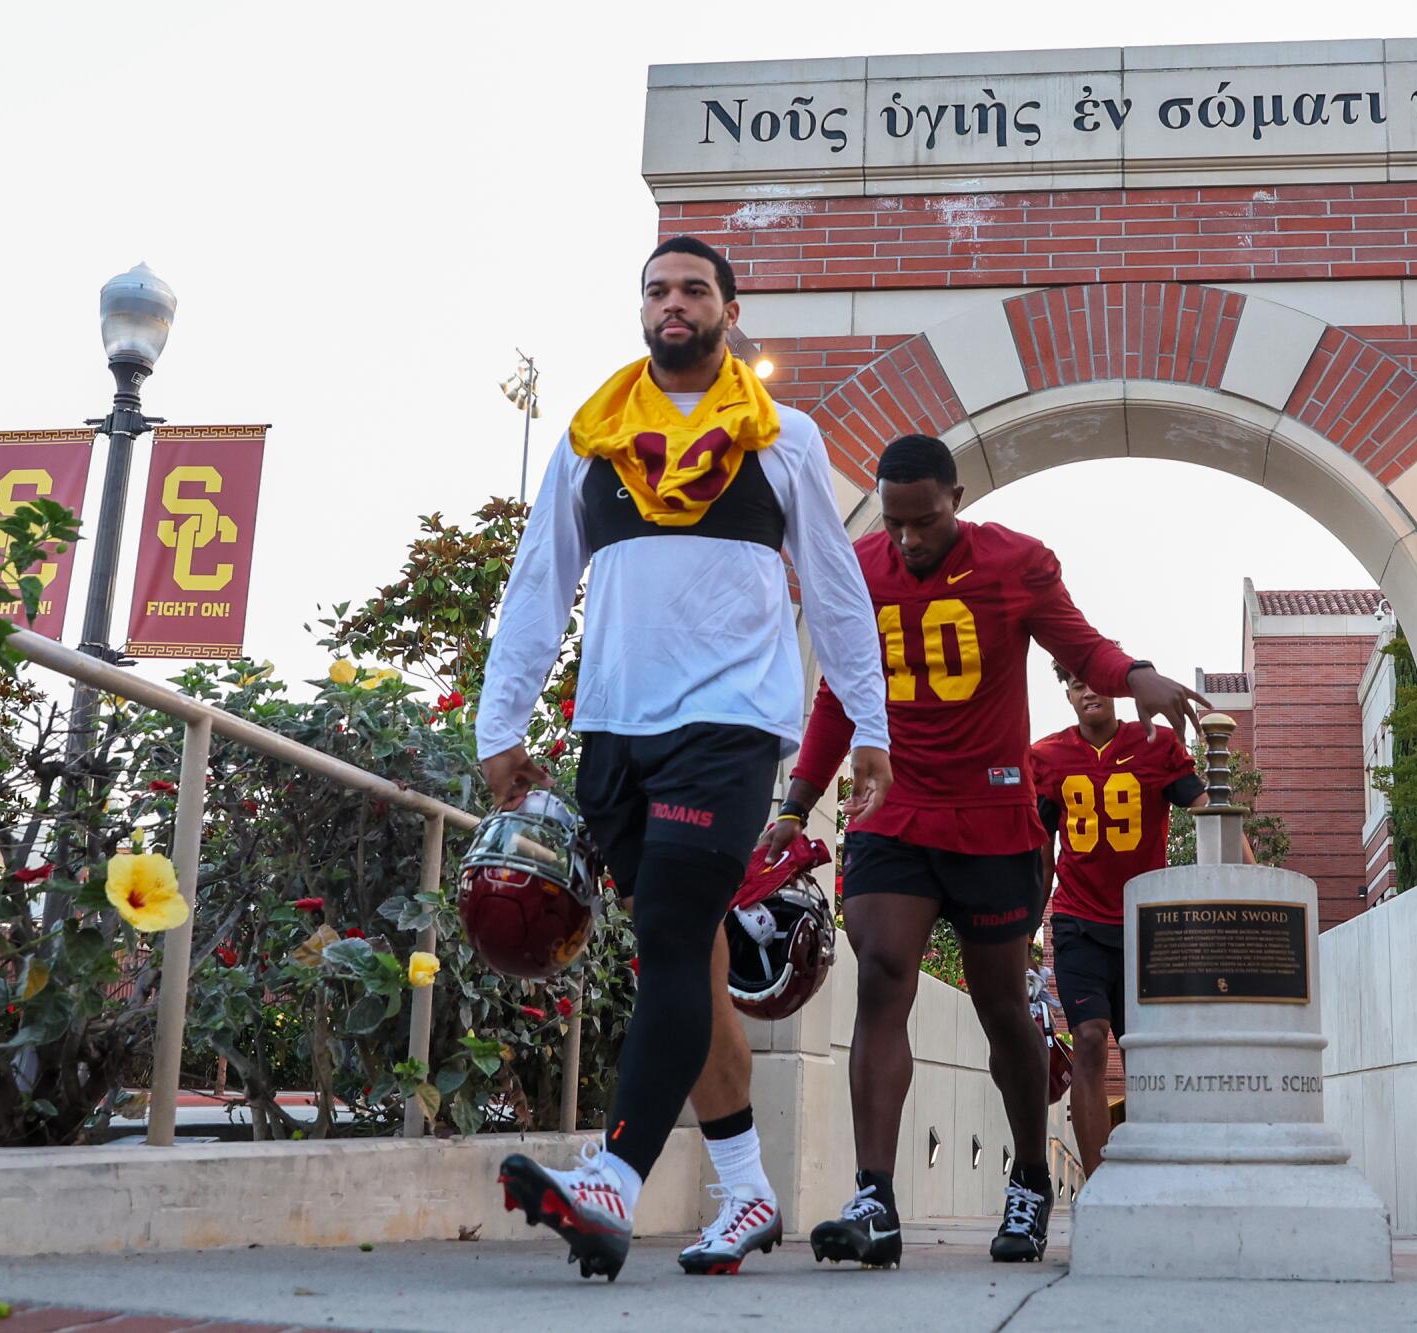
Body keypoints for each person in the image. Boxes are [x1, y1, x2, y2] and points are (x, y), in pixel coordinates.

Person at [478, 236, 893, 1281]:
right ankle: (748, 1190)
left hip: (731, 725)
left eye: (693, 289)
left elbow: (836, 590)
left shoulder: (784, 438)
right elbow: (538, 584)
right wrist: (501, 725)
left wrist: (870, 724)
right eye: (657, 289)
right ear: (641, 309)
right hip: (614, 728)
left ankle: (611, 1179)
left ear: (727, 309)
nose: (674, 303)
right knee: (689, 966)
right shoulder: (590, 437)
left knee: (667, 935)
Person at [761, 433, 1211, 1268]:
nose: (907, 539)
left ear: (957, 498)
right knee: (884, 972)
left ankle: (1032, 1176)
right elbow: (838, 696)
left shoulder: (1016, 563)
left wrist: (1137, 673)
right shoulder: (859, 567)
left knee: (1002, 1004)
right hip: (894, 811)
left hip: (996, 819)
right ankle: (874, 1198)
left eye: (923, 520)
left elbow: (1082, 647)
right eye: (894, 522)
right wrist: (795, 804)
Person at [1029, 665, 1255, 1172]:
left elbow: (1209, 807)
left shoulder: (1154, 745)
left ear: (1115, 688)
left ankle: (1151, 1174)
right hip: (1078, 921)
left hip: (1146, 926)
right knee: (1088, 1039)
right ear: (1067, 693)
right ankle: (1096, 1185)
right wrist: (1024, 929)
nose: (1088, 690)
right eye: (1076, 683)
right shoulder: (1046, 757)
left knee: (1146, 1056)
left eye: (1095, 681)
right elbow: (1040, 857)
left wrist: (1253, 878)